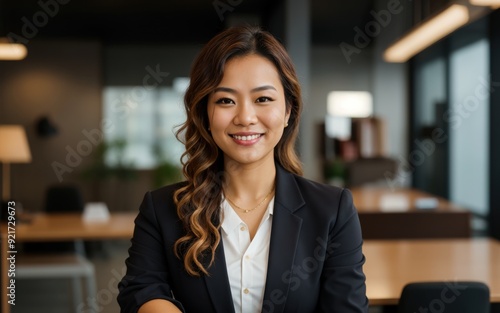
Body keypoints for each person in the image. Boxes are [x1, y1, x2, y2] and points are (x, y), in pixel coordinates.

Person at [118, 26, 368, 313]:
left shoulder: (332, 211)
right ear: (205, 114)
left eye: (263, 99)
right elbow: (141, 289)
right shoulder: (161, 209)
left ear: (288, 111)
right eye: (225, 100)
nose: (246, 117)